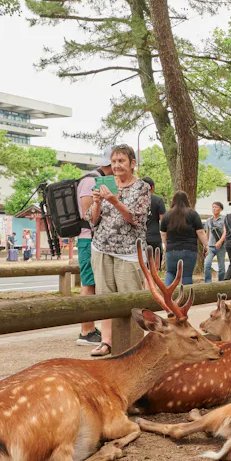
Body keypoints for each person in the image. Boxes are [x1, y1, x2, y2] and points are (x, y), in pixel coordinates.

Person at [89, 143, 150, 357]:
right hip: (102, 248)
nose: (117, 165)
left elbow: (136, 219)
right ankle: (107, 341)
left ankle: (133, 343)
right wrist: (97, 202)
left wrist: (114, 201)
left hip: (128, 251)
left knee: (129, 299)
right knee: (106, 298)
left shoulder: (141, 187)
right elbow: (93, 220)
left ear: (132, 164)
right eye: (114, 161)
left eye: (121, 161)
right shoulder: (104, 183)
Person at [72, 147, 113, 347]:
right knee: (88, 284)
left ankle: (90, 328)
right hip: (88, 239)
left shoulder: (101, 179)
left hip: (94, 240)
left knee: (93, 284)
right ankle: (86, 331)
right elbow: (86, 213)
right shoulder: (91, 180)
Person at [160, 191, 207, 286]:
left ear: (173, 201)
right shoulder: (193, 214)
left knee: (170, 273)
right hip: (189, 249)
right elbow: (200, 232)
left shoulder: (167, 215)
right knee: (187, 276)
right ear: (186, 200)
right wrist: (206, 245)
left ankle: (166, 297)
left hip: (172, 250)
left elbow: (163, 234)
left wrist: (166, 245)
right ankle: (186, 298)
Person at [203, 201, 228, 283]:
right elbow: (207, 233)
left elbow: (225, 232)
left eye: (216, 207)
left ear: (220, 209)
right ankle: (208, 282)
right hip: (210, 246)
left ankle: (221, 282)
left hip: (221, 246)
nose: (214, 209)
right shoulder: (209, 220)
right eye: (213, 207)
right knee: (207, 264)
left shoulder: (224, 219)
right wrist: (205, 245)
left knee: (221, 267)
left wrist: (220, 242)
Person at [143, 177, 165, 260]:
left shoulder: (136, 200)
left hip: (139, 238)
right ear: (152, 187)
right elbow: (163, 221)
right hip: (154, 237)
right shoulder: (158, 200)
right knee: (155, 267)